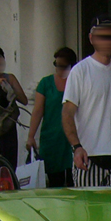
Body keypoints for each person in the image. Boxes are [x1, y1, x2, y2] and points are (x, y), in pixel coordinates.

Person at [63, 15, 111, 188]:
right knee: (89, 211)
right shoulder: (80, 71)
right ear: (92, 38)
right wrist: (76, 147)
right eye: (104, 36)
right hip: (89, 155)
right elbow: (67, 113)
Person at [26, 47, 78, 187]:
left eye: (63, 66)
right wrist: (31, 136)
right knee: (55, 183)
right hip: (52, 140)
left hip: (74, 138)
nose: (59, 69)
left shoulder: (78, 82)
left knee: (75, 182)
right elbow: (37, 111)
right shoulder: (46, 83)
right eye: (57, 65)